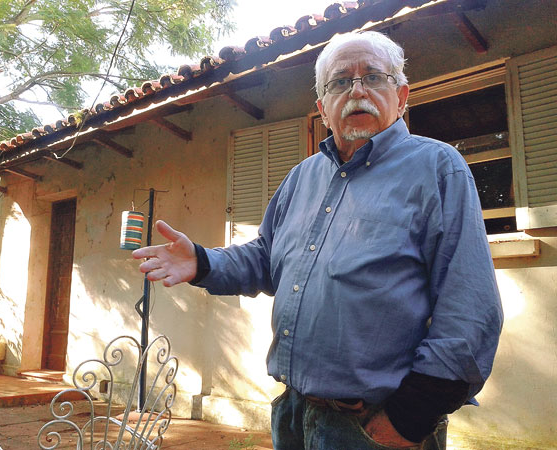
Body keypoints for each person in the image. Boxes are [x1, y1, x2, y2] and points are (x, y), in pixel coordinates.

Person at [133, 30, 503, 450]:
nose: (357, 90)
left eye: (374, 78)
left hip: (377, 426)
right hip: (294, 414)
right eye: (341, 81)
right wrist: (202, 262)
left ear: (401, 97)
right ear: (323, 108)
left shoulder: (438, 167)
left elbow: (470, 309)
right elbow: (267, 258)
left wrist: (406, 420)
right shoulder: (302, 177)